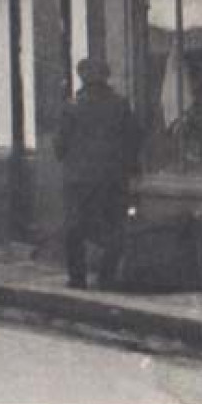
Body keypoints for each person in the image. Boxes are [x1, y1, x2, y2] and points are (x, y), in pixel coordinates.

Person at [56, 57, 142, 290]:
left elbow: (59, 147)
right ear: (106, 77)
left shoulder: (72, 106)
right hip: (113, 178)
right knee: (115, 226)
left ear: (82, 78)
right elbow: (134, 139)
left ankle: (77, 278)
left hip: (79, 179)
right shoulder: (121, 105)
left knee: (75, 228)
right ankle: (107, 276)